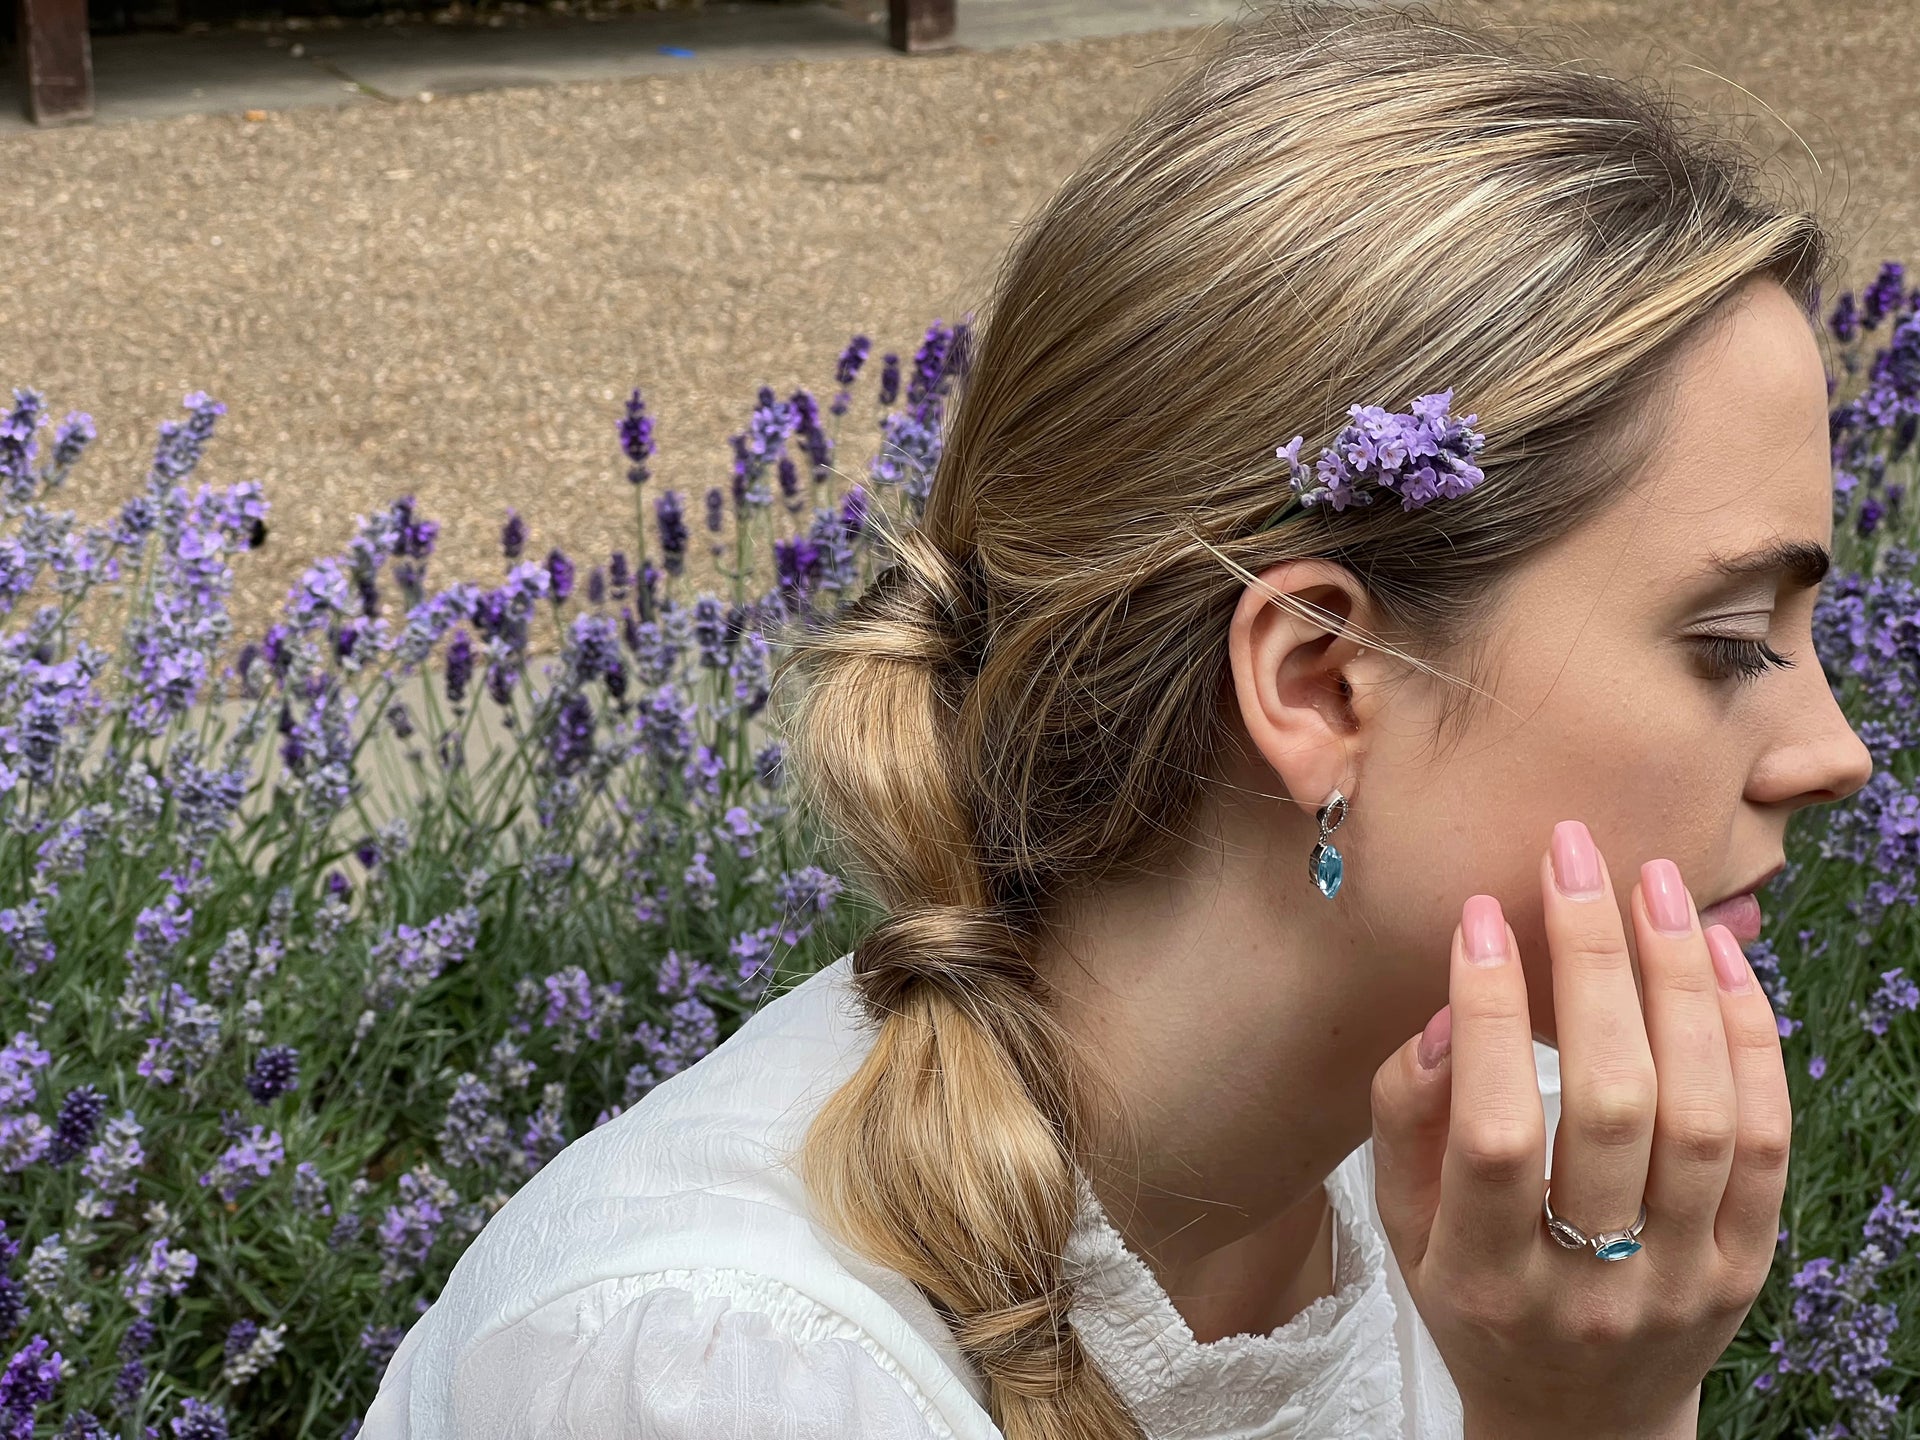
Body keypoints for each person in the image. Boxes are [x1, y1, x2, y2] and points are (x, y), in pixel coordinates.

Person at [359, 2, 1876, 1436]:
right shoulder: (715, 1368)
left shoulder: (1507, 1177)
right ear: (1320, 683)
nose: (1839, 753)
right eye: (1732, 642)